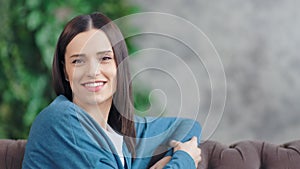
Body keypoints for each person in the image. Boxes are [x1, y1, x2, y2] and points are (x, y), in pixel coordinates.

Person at [22, 12, 201, 169]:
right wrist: (183, 161)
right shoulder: (61, 120)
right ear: (65, 72)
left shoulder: (121, 133)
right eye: (78, 61)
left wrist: (170, 158)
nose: (92, 71)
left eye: (105, 58)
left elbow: (188, 127)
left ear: (119, 66)